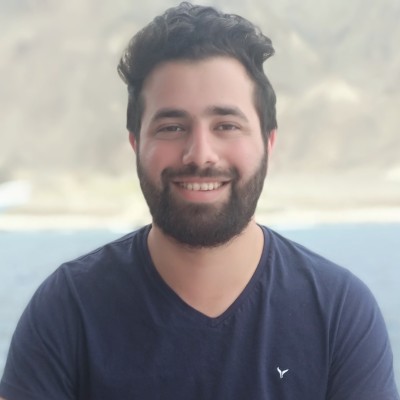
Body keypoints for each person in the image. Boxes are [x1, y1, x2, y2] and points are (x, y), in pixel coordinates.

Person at [0, 2, 399, 399]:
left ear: (268, 143)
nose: (200, 154)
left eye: (226, 125)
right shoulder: (67, 311)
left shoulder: (338, 313)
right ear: (136, 144)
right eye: (172, 127)